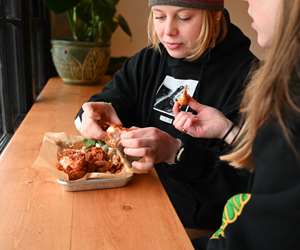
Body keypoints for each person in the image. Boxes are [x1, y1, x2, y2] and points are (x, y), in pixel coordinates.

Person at [74, 0, 257, 232]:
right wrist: (90, 113)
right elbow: (100, 105)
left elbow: (243, 183)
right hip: (135, 206)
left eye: (184, 18)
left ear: (216, 15)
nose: (168, 31)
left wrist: (176, 153)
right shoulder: (149, 61)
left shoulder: (250, 80)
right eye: (159, 16)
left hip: (201, 230)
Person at [172, 0, 300, 249]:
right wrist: (229, 131)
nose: (248, 1)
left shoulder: (291, 103)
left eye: (185, 17)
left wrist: (176, 153)